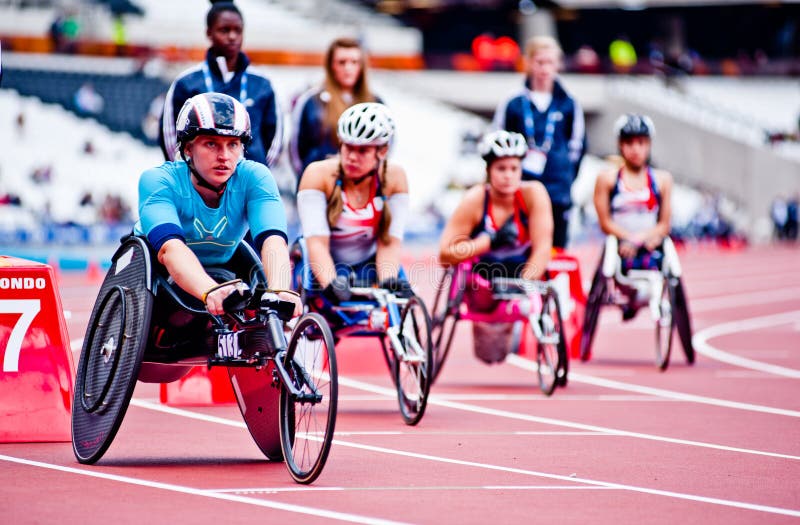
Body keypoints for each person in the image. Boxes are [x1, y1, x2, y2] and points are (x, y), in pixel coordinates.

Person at [135, 92, 301, 318]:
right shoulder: (158, 180)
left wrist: (280, 290)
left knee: (268, 309)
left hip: (224, 267)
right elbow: (169, 249)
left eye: (233, 144)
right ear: (187, 149)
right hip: (156, 271)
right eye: (211, 144)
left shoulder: (255, 176)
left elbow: (274, 241)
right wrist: (209, 289)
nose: (224, 156)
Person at [438, 129, 553, 364]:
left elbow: (543, 247)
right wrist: (489, 241)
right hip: (485, 276)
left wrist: (527, 281)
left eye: (514, 169)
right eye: (501, 169)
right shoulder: (475, 199)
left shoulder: (534, 194)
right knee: (489, 354)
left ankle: (517, 318)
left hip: (520, 271)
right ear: (488, 171)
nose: (508, 176)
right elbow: (445, 255)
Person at [296, 102, 410, 302]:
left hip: (368, 266)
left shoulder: (395, 177)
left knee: (398, 293)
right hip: (321, 265)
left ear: (382, 151)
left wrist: (388, 282)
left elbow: (389, 243)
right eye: (348, 147)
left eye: (363, 150)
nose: (352, 158)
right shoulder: (317, 174)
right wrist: (331, 284)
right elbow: (317, 244)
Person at [160, 1, 282, 168]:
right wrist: (189, 176)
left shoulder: (262, 84)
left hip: (248, 184)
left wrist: (256, 174)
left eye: (237, 30)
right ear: (209, 33)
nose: (232, 36)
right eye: (224, 30)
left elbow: (274, 138)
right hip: (200, 186)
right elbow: (170, 136)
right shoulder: (187, 82)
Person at [493, 35, 585, 249]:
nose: (545, 69)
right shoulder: (513, 103)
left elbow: (577, 148)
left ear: (558, 65)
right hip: (519, 189)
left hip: (558, 191)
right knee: (520, 248)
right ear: (528, 63)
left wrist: (566, 178)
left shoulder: (569, 104)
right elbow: (498, 142)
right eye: (540, 62)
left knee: (556, 250)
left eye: (550, 62)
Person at [593, 114, 672, 296]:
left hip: (650, 243)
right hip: (621, 246)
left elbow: (664, 225)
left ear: (649, 144)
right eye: (629, 143)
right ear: (620, 145)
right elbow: (605, 223)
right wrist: (629, 238)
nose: (635, 149)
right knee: (616, 256)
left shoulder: (662, 180)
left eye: (641, 143)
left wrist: (641, 239)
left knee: (662, 255)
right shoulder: (607, 179)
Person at [290, 37, 380, 183]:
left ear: (362, 66)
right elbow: (296, 151)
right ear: (331, 65)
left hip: (362, 189)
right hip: (320, 185)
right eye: (342, 62)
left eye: (354, 62)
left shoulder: (375, 104)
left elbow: (384, 147)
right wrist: (310, 179)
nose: (348, 68)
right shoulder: (311, 101)